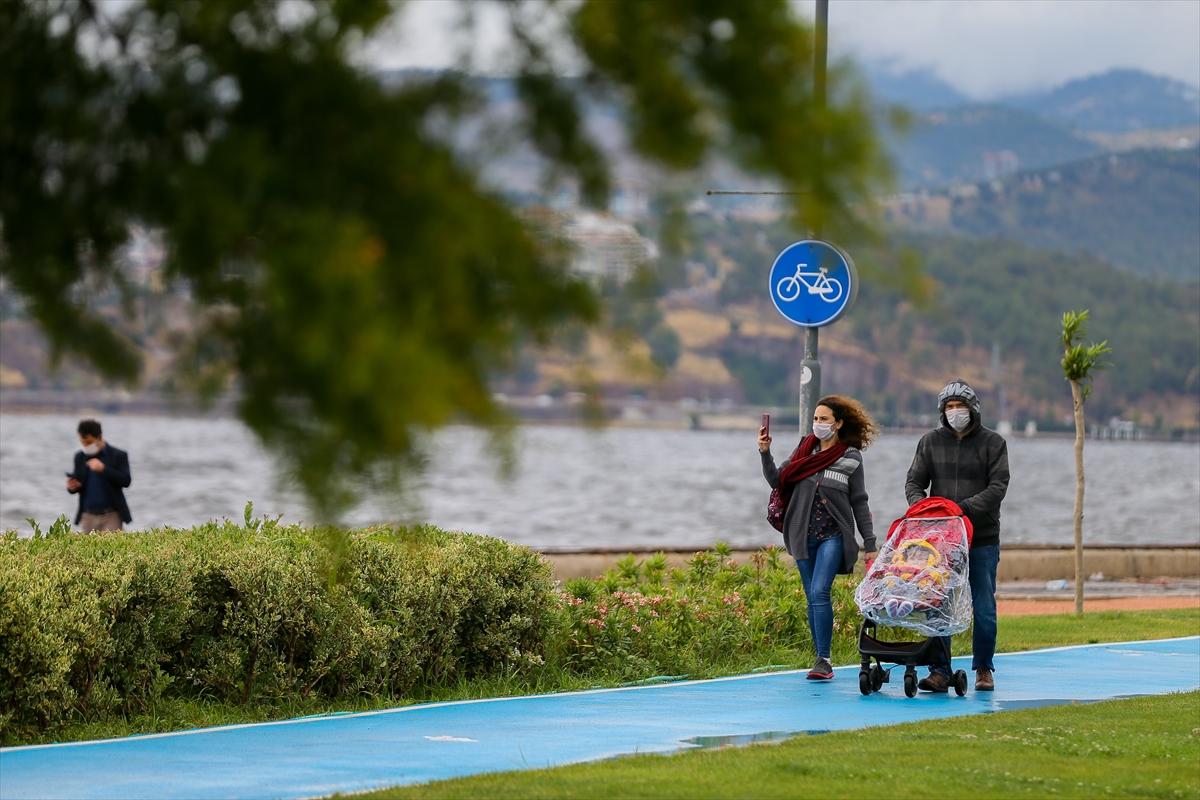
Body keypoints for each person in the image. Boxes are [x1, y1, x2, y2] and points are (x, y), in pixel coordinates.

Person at [760, 395, 879, 680]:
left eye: (824, 419)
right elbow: (778, 480)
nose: (818, 423)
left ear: (838, 424)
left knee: (819, 592)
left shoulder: (850, 457)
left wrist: (871, 545)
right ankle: (819, 658)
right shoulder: (805, 449)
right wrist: (765, 452)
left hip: (833, 536)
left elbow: (859, 502)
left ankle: (824, 660)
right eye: (816, 418)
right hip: (802, 534)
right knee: (811, 598)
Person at [905, 379, 1009, 692]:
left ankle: (983, 669)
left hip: (982, 539)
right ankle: (939, 671)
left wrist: (960, 511)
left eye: (959, 406)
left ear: (972, 408)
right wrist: (926, 510)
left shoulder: (994, 443)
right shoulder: (930, 442)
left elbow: (998, 487)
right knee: (937, 604)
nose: (954, 412)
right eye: (948, 407)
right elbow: (913, 483)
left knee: (985, 608)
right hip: (940, 542)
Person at [66, 419, 132, 533]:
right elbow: (78, 484)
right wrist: (71, 488)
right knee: (88, 549)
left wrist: (104, 469)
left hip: (112, 515)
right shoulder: (80, 457)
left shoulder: (118, 455)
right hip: (88, 515)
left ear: (99, 437)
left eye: (89, 442)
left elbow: (126, 481)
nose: (86, 446)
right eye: (83, 442)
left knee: (114, 548)